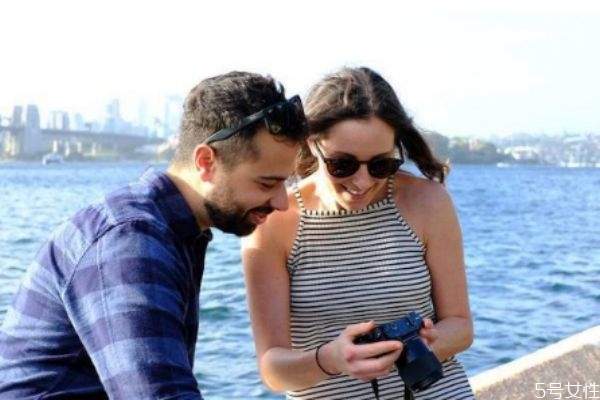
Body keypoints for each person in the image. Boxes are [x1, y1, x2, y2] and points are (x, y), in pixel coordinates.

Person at [0, 71, 308, 399]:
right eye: (267, 183)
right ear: (206, 162)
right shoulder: (131, 240)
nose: (281, 202)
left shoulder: (175, 232)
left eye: (286, 183)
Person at [241, 67, 474, 400]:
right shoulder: (275, 222)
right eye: (342, 164)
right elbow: (273, 370)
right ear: (312, 143)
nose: (362, 182)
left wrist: (417, 344)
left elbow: (461, 326)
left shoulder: (428, 202)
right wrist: (332, 359)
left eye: (380, 165)